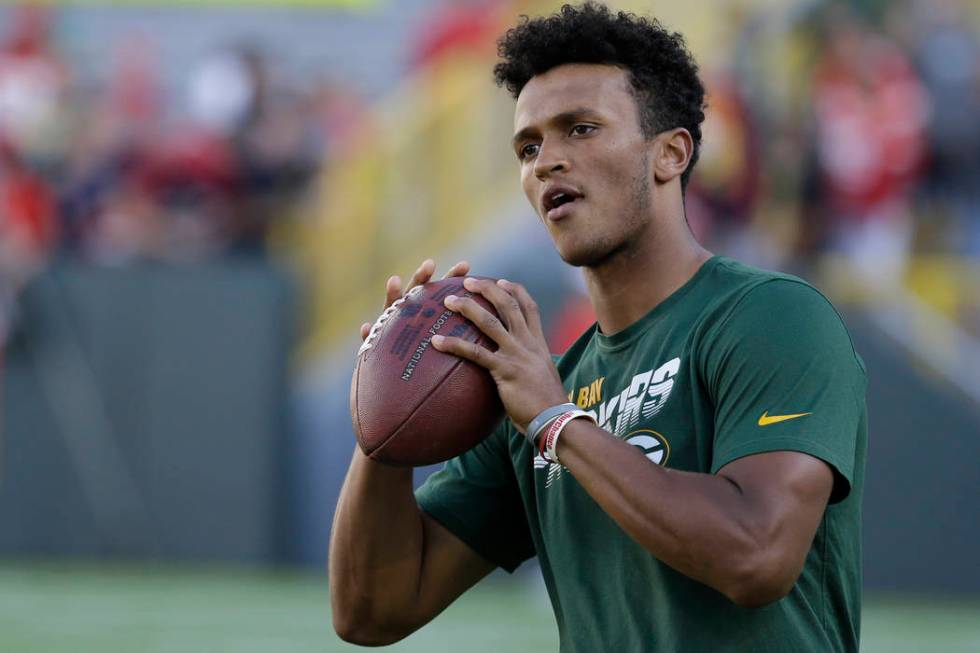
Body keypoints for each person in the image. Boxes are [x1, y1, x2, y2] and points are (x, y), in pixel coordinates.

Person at [330, 3, 867, 651]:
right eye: (529, 147)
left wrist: (558, 423)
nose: (546, 161)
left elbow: (756, 555)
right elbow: (374, 610)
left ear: (670, 154)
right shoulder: (535, 388)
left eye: (580, 129)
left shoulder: (773, 317)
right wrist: (382, 419)